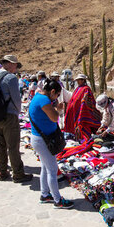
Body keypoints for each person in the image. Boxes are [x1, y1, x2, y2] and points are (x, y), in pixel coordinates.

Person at [29, 79, 74, 209]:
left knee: (45, 167)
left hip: (39, 138)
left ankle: (45, 194)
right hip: (42, 140)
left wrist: (55, 108)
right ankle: (57, 200)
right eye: (57, 94)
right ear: (52, 91)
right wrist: (58, 110)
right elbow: (54, 117)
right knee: (52, 170)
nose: (57, 98)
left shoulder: (38, 96)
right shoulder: (44, 100)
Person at [0, 54, 33, 183]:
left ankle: (2, 172)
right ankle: (18, 174)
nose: (16, 68)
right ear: (9, 64)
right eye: (15, 65)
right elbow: (16, 99)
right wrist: (18, 112)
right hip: (9, 116)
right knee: (13, 146)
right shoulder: (11, 78)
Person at [63, 74, 101, 141]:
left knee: (81, 124)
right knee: (71, 121)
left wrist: (83, 106)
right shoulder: (77, 88)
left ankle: (80, 137)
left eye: (79, 80)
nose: (77, 81)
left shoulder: (86, 89)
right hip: (74, 110)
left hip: (81, 110)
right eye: (77, 80)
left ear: (83, 80)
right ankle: (73, 135)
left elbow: (88, 99)